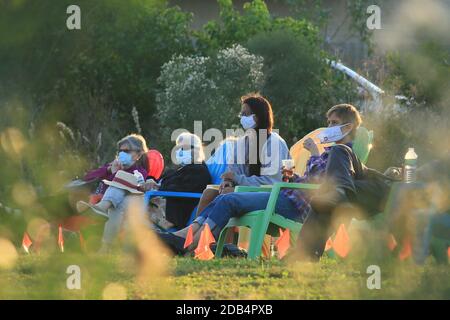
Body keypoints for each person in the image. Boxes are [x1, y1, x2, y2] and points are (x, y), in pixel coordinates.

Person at [195, 93, 290, 215]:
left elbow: (271, 182)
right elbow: (232, 170)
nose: (242, 118)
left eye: (246, 114)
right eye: (241, 114)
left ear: (258, 116)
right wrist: (228, 181)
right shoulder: (242, 142)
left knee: (227, 196)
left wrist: (236, 179)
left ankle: (209, 232)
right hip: (246, 190)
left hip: (271, 197)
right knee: (208, 193)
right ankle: (194, 231)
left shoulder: (275, 143)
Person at [76, 134, 149, 252]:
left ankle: (100, 209)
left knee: (116, 199)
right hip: (102, 201)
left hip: (126, 209)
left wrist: (116, 174)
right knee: (115, 205)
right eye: (120, 151)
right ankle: (105, 246)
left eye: (126, 151)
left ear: (138, 155)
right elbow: (88, 177)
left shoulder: (140, 172)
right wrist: (109, 170)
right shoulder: (111, 167)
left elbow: (133, 187)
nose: (122, 154)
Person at [148, 132, 212, 230]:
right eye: (178, 148)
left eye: (184, 148)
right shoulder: (180, 169)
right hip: (161, 208)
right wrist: (154, 183)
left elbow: (181, 189)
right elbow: (167, 183)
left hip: (172, 216)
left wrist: (159, 187)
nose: (180, 151)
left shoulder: (199, 170)